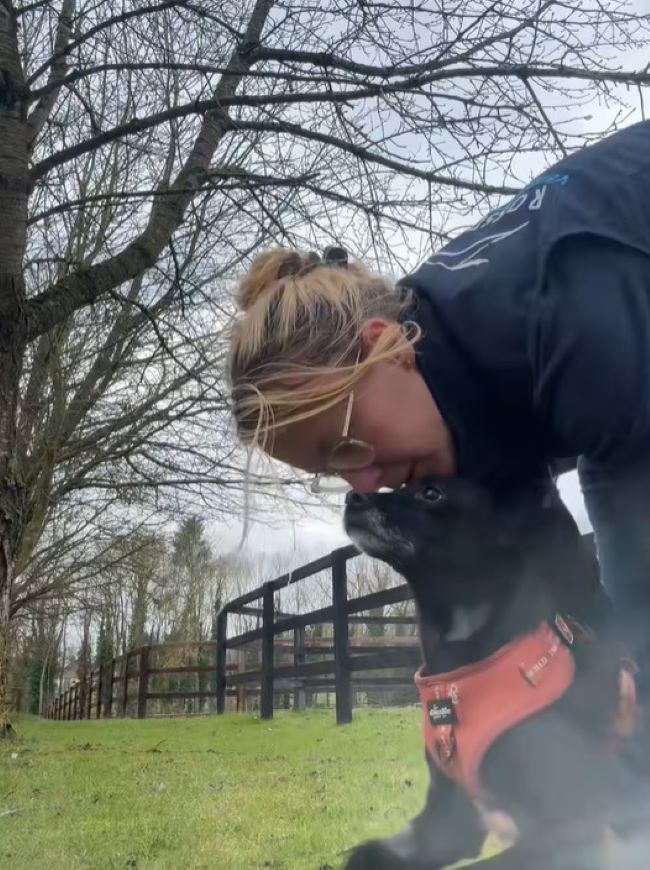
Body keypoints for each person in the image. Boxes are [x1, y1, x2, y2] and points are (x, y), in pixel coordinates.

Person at [228, 119, 650, 688]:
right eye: (334, 471)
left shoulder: (560, 323)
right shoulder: (453, 393)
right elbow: (540, 545)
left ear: (386, 346)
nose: (369, 483)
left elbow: (629, 503)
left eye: (347, 442)